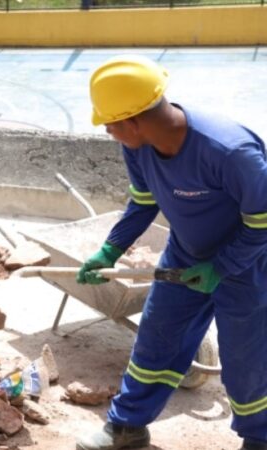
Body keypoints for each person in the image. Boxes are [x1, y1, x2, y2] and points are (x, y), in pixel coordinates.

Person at [74, 55, 267, 450]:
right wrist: (110, 249)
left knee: (247, 360)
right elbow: (143, 203)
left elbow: (263, 223)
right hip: (184, 255)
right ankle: (127, 427)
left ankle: (258, 438)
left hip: (249, 264)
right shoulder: (139, 147)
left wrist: (222, 267)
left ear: (133, 119)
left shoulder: (230, 151)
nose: (108, 131)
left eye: (110, 123)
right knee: (156, 340)